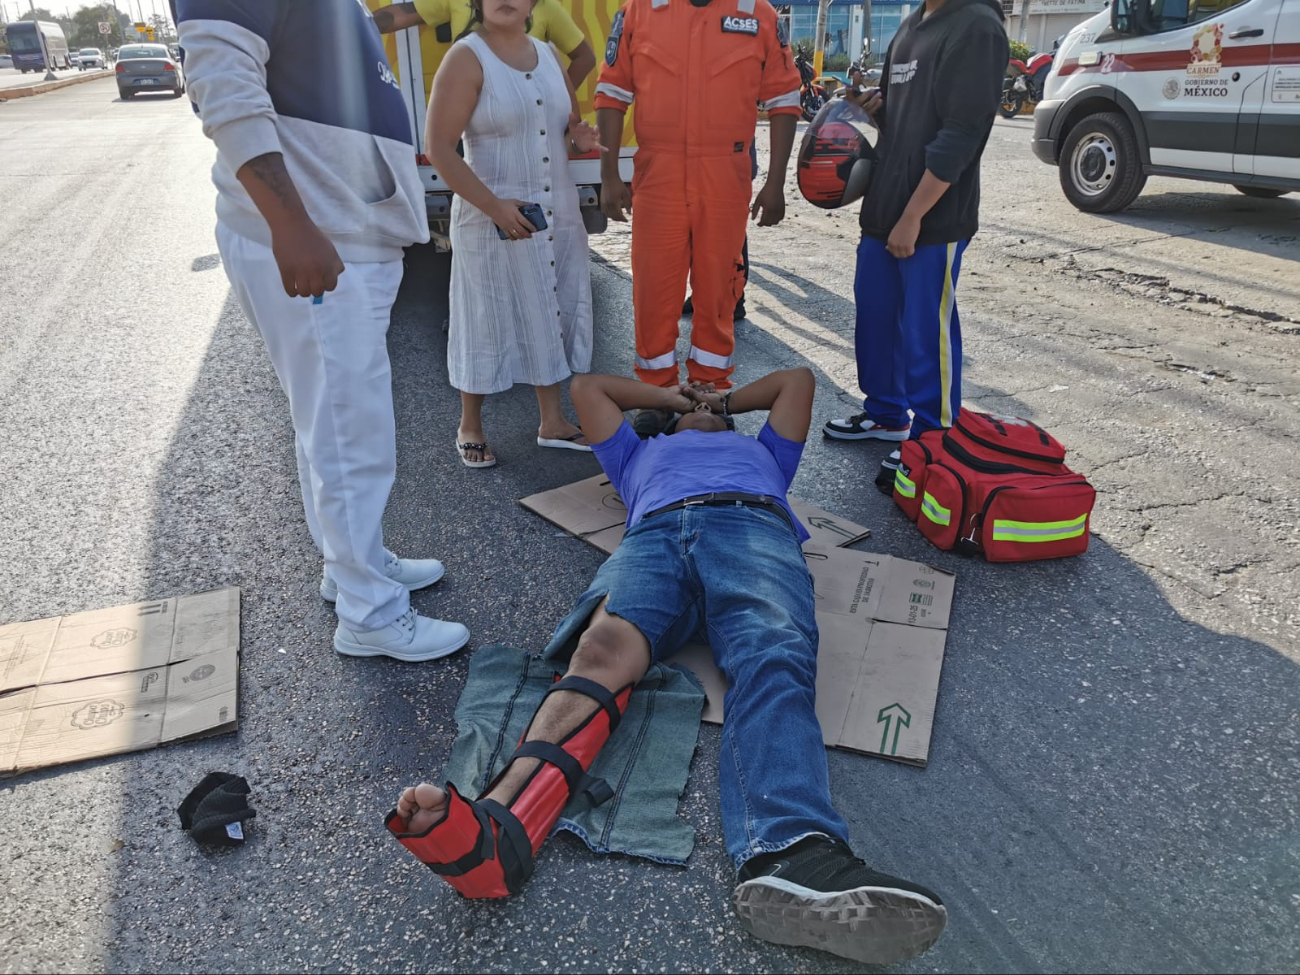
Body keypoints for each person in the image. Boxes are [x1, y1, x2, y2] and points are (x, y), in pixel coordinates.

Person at [385, 367, 949, 966]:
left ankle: (790, 851)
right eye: (692, 408)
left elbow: (798, 383)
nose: (706, 409)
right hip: (654, 538)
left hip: (751, 525)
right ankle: (500, 830)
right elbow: (587, 391)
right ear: (671, 420)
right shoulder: (636, 455)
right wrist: (674, 400)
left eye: (717, 410)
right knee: (599, 653)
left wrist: (722, 400)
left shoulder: (764, 455)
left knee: (775, 652)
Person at [174, 0, 470, 662]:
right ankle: (370, 611)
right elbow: (223, 84)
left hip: (346, 232)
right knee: (349, 435)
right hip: (320, 235)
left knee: (328, 428)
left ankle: (351, 567)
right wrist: (292, 225)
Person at [595, 0, 802, 437]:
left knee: (718, 291)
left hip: (724, 177)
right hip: (659, 174)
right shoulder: (640, 11)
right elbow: (612, 92)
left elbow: (784, 98)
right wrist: (609, 174)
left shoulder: (757, 14)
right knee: (653, 291)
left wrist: (777, 182)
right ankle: (657, 393)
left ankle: (710, 392)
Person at [426, 0, 605, 468]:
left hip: (554, 210)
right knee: (485, 315)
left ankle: (553, 422)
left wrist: (580, 138)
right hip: (491, 216)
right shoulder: (467, 57)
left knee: (548, 303)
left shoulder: (547, 53)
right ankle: (470, 425)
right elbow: (440, 148)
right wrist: (494, 207)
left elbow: (563, 129)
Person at [823, 0, 1007, 452]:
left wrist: (914, 216)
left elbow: (962, 134)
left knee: (927, 333)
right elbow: (900, 122)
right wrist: (868, 108)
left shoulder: (977, 27)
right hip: (886, 207)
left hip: (933, 217)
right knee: (877, 320)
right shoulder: (911, 26)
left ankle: (933, 442)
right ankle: (886, 415)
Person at [371, 0, 598, 90]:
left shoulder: (544, 6)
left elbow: (584, 57)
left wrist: (558, 99)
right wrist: (357, 24)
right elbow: (404, 14)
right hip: (467, 114)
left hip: (522, 114)